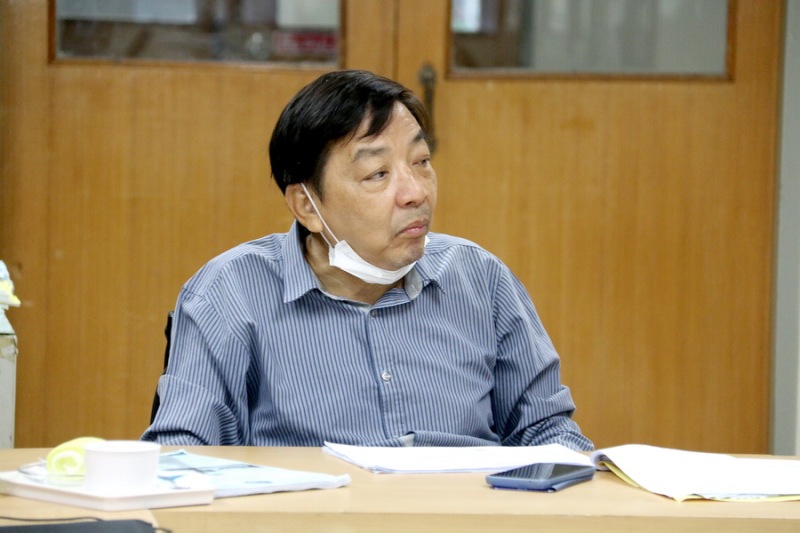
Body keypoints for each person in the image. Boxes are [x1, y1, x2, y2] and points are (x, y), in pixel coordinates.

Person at [142, 70, 593, 451]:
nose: (415, 192)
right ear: (306, 205)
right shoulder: (230, 292)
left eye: (421, 161)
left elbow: (548, 433)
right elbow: (182, 453)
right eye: (377, 174)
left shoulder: (481, 279)